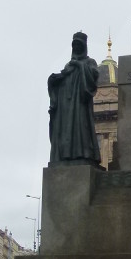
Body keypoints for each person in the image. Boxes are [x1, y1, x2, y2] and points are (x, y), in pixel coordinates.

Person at [47, 31, 101, 166]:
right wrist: (54, 80)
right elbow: (64, 79)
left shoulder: (90, 62)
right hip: (67, 103)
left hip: (80, 103)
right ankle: (67, 155)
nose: (76, 48)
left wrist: (79, 65)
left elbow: (93, 77)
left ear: (84, 46)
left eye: (79, 45)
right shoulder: (68, 65)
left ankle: (83, 154)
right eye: (74, 45)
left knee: (80, 128)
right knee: (67, 130)